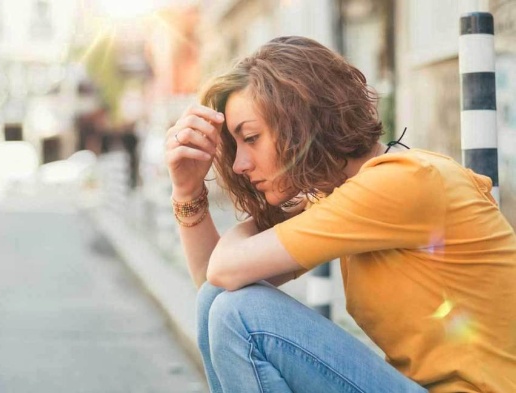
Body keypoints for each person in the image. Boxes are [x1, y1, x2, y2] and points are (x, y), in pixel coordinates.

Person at [164, 36, 516, 393]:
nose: (239, 164)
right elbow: (214, 284)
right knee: (218, 303)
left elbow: (224, 271)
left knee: (238, 314)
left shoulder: (401, 183)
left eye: (251, 137)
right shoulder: (347, 195)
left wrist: (264, 218)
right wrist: (188, 191)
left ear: (302, 124)